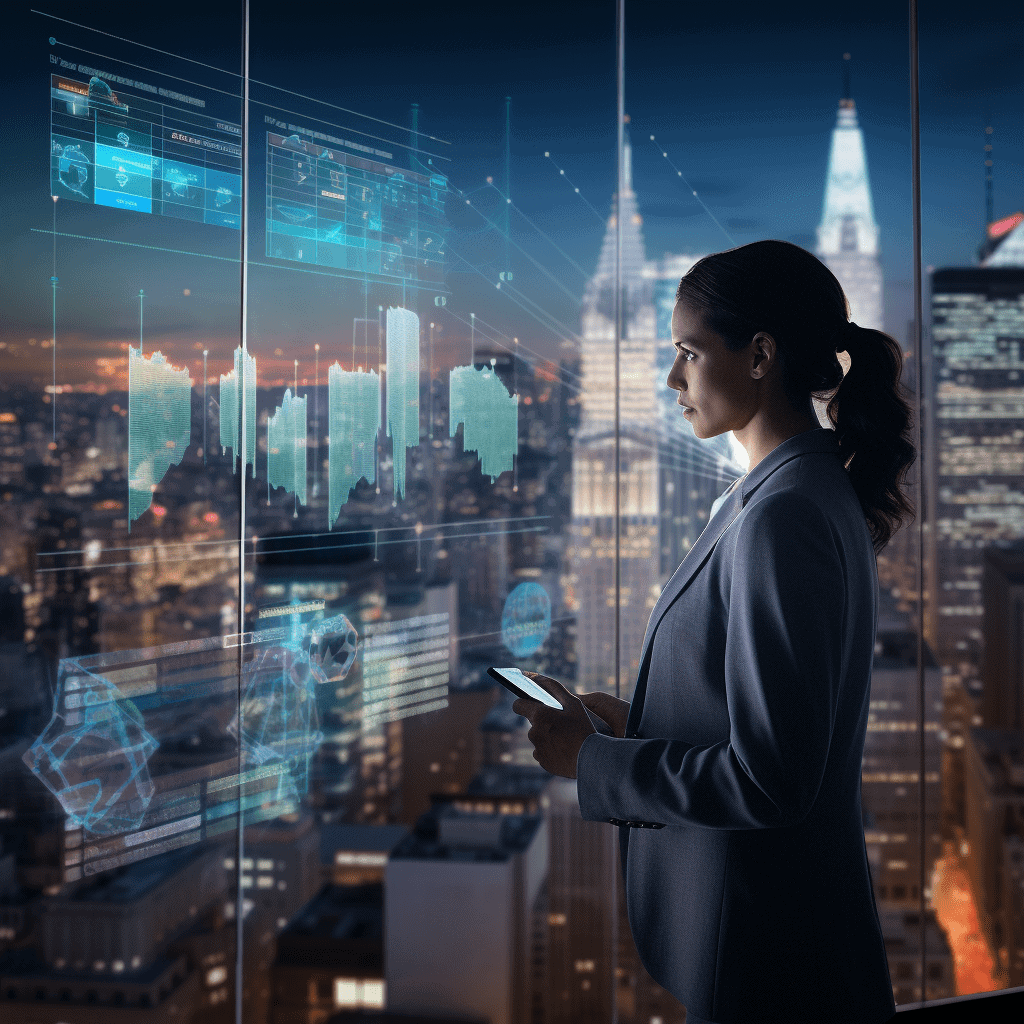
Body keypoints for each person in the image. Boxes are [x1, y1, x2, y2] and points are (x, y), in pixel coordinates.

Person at [512, 240, 915, 1024]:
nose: (672, 380)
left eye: (689, 353)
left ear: (761, 354)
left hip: (772, 960)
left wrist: (595, 762)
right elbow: (770, 725)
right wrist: (637, 729)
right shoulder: (788, 491)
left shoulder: (784, 516)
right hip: (777, 943)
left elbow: (773, 779)